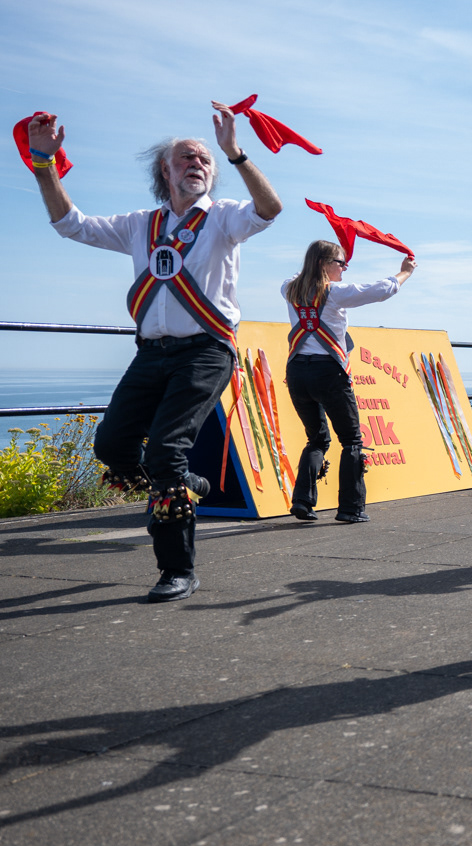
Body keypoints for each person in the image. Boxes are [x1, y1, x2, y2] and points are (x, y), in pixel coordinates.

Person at [27, 106, 282, 602]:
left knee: (164, 453)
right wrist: (43, 163)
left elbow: (269, 209)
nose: (198, 162)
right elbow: (69, 224)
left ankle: (177, 569)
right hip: (151, 352)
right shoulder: (138, 224)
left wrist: (237, 153)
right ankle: (182, 478)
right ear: (163, 171)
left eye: (205, 158)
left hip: (207, 350)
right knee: (111, 447)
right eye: (186, 156)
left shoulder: (224, 217)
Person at [282, 242, 416, 522]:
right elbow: (381, 290)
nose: (344, 267)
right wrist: (404, 273)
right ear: (323, 263)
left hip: (297, 371)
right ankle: (351, 509)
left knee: (316, 439)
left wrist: (321, 261)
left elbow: (300, 276)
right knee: (352, 440)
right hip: (328, 372)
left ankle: (303, 501)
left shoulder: (288, 288)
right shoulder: (335, 293)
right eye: (340, 263)